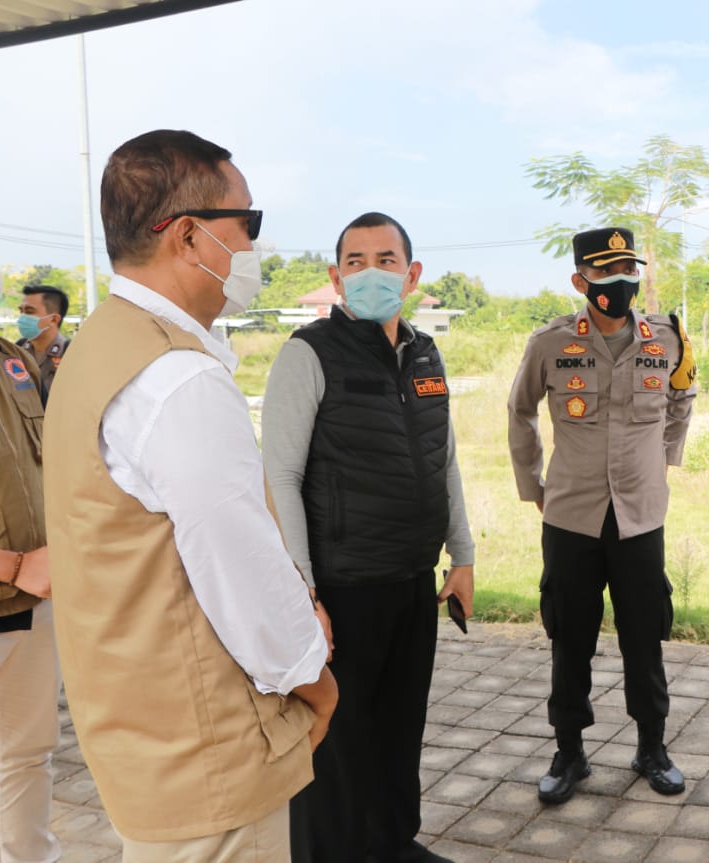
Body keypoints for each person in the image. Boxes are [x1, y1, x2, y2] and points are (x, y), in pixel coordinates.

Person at [42, 129, 337, 862]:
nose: (256, 248)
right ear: (189, 236)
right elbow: (235, 562)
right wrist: (314, 679)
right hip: (206, 750)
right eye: (250, 224)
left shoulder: (102, 344)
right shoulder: (176, 377)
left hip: (144, 735)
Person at [263, 211, 474, 863]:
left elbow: (444, 458)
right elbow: (279, 475)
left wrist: (462, 555)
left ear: (411, 274)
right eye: (355, 262)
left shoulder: (425, 353)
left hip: (411, 580)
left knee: (397, 728)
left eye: (385, 259)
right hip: (343, 586)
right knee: (336, 738)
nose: (369, 272)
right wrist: (303, 591)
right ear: (335, 277)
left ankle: (391, 843)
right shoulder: (308, 354)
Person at [508, 227, 696, 805]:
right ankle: (569, 752)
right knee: (570, 636)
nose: (621, 282)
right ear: (580, 280)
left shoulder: (667, 338)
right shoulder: (550, 343)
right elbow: (520, 412)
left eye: (628, 271)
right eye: (607, 273)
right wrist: (532, 486)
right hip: (571, 517)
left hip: (641, 516)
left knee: (646, 636)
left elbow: (682, 399)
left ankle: (652, 747)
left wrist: (663, 462)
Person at [0, 236, 61, 863]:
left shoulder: (11, 359)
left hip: (32, 605)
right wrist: (9, 564)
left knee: (26, 755)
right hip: (4, 586)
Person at [16, 285, 70, 397]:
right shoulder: (15, 351)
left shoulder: (70, 353)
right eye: (21, 311)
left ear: (53, 319)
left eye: (29, 311)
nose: (22, 318)